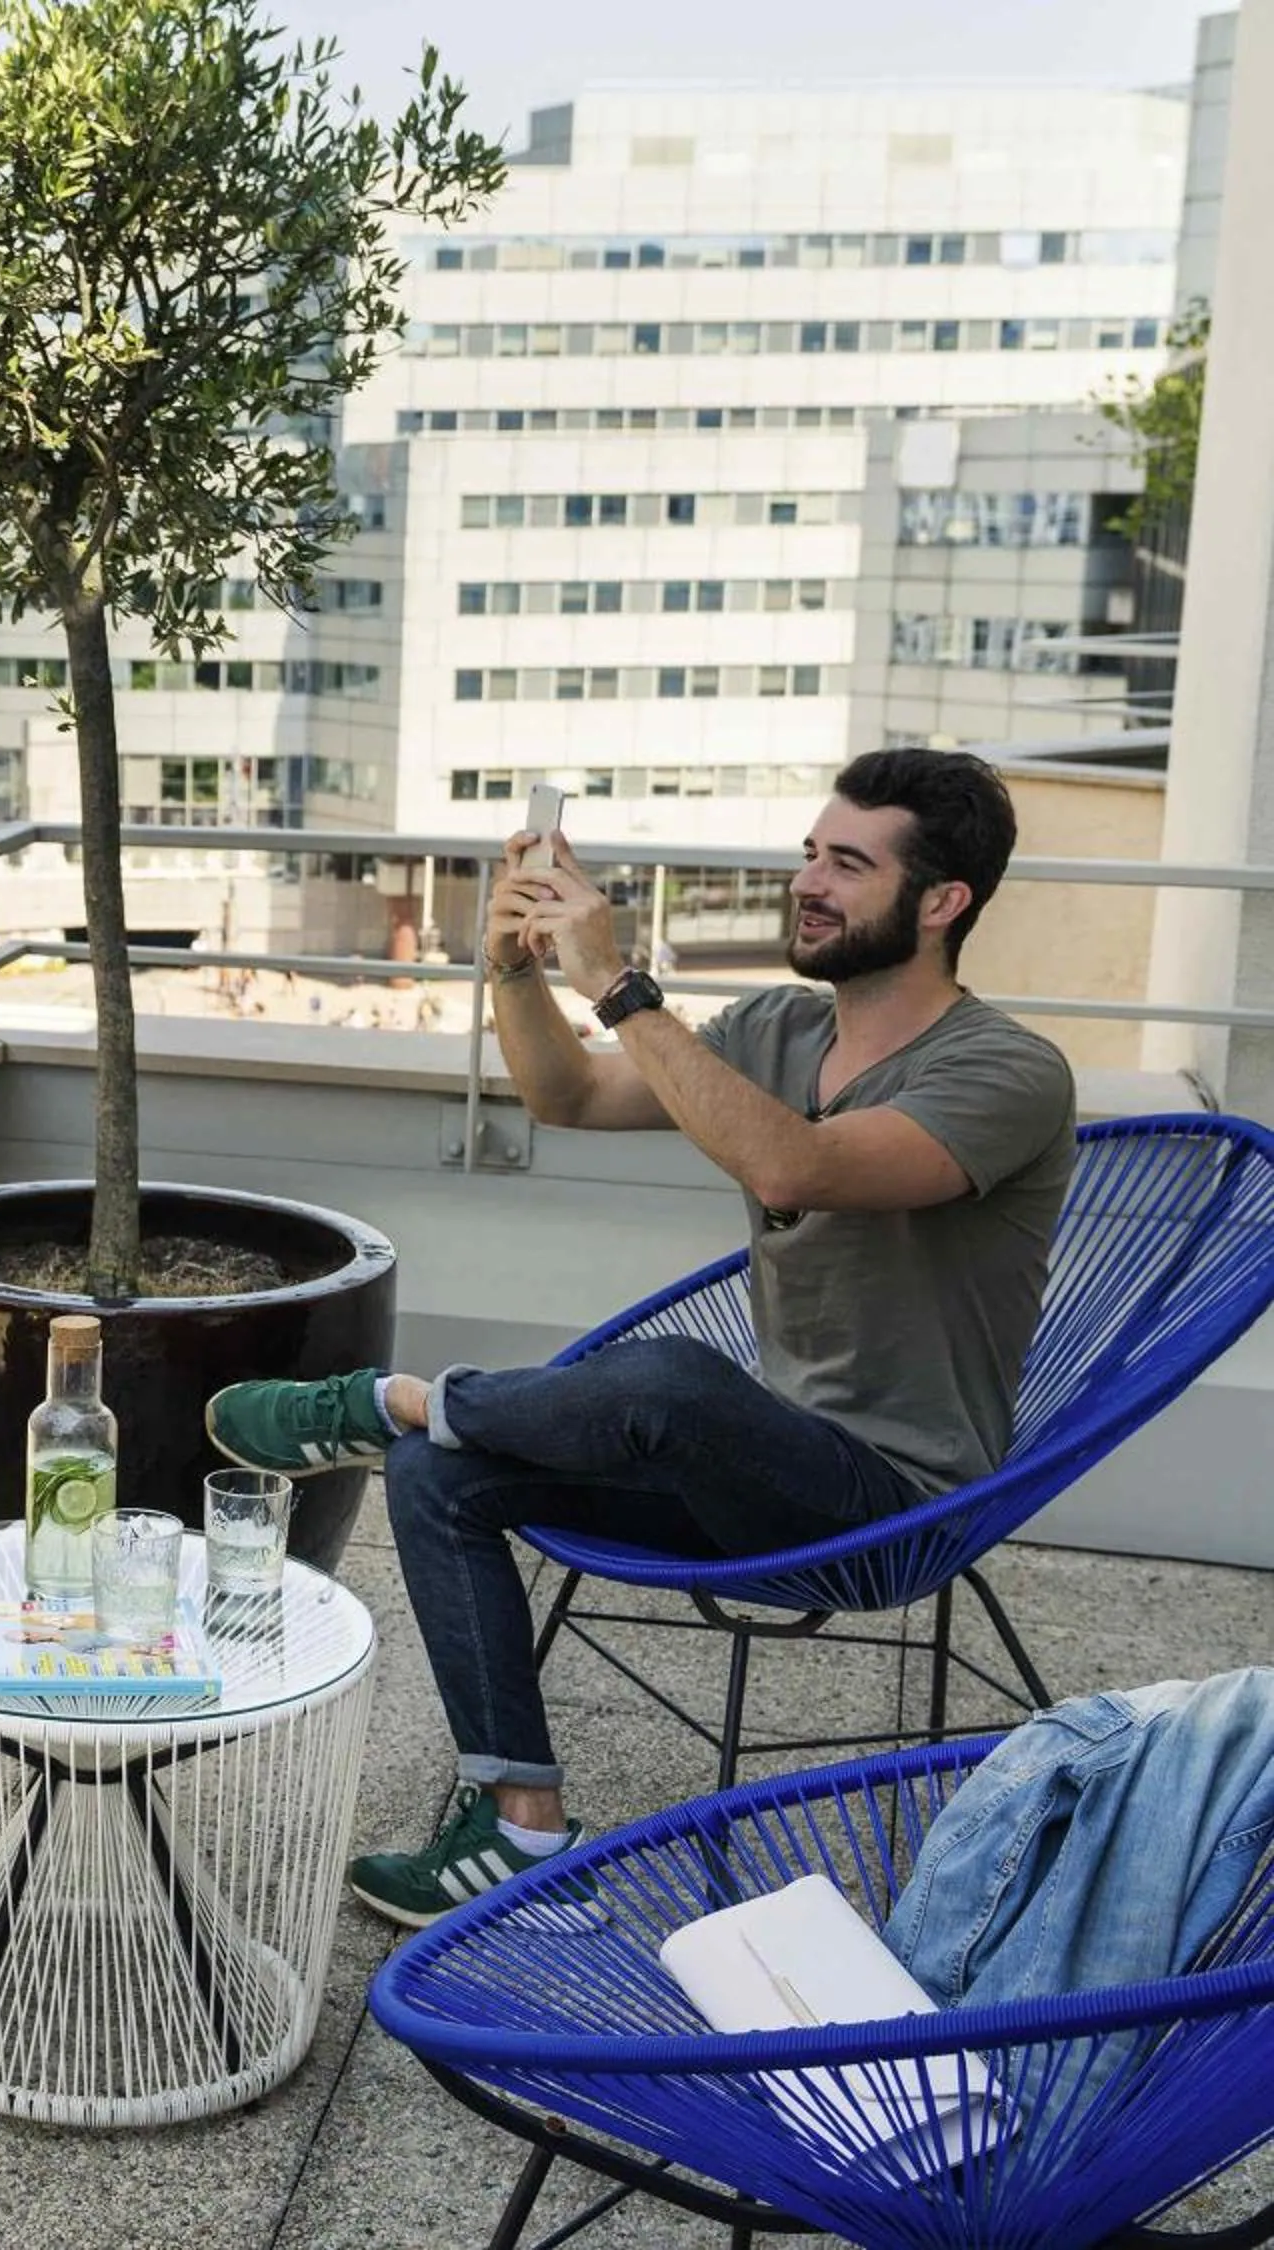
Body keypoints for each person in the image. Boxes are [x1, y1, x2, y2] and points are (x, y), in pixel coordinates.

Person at [205, 749, 1075, 1928]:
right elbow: (568, 1098)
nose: (808, 881)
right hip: (748, 1466)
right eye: (812, 852)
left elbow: (794, 1166)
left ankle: (392, 1398)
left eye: (848, 865)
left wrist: (616, 976)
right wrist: (511, 967)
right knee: (441, 1474)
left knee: (667, 1382)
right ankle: (518, 1823)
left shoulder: (1007, 1072)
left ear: (942, 903)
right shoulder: (774, 1027)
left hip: (893, 1502)